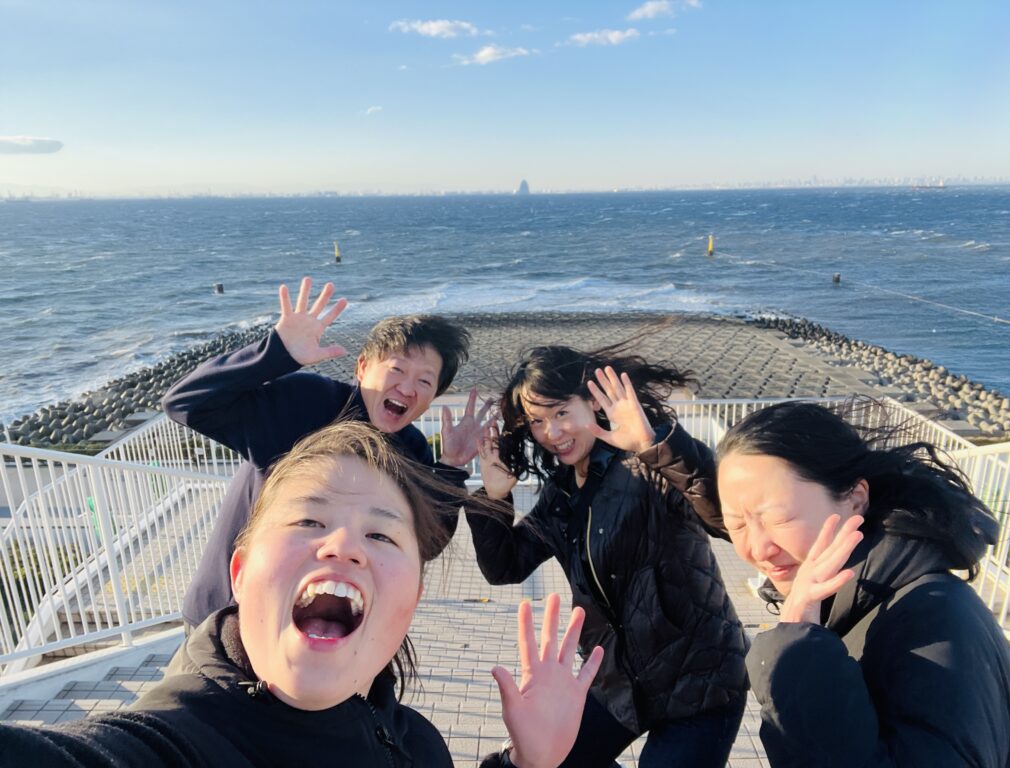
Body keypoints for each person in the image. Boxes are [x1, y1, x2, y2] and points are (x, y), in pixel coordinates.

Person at [0, 421, 604, 768]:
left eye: (380, 534)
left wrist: (527, 764)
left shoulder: (418, 743)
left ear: (412, 601)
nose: (343, 546)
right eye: (309, 522)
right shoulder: (176, 739)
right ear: (240, 573)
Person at [469, 344, 748, 768]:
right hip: (618, 685)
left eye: (562, 412)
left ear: (594, 402)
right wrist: (493, 500)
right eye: (538, 421)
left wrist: (655, 445)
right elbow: (505, 567)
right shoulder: (561, 494)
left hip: (699, 680)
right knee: (542, 760)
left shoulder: (648, 463)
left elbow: (728, 519)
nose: (551, 433)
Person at [163, 277, 492, 629]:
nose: (408, 388)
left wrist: (452, 467)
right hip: (229, 614)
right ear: (362, 367)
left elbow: (424, 543)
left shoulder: (412, 450)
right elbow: (186, 403)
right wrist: (276, 352)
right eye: (397, 369)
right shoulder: (305, 403)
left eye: (425, 381)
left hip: (327, 623)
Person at [716, 400, 1010, 767]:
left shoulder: (934, 620)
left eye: (779, 519)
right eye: (736, 525)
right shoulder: (862, 603)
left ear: (855, 499)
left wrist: (794, 646)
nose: (757, 548)